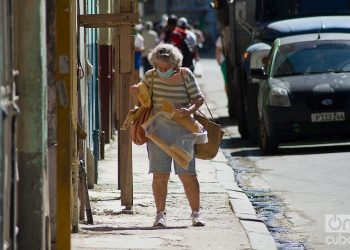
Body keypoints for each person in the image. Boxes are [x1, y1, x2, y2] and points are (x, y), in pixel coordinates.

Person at [129, 43, 205, 227]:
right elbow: (145, 103)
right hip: (157, 133)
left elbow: (199, 98)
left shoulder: (186, 74)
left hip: (183, 132)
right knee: (159, 174)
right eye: (159, 67)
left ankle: (196, 214)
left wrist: (189, 109)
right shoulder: (150, 76)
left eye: (167, 68)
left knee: (188, 175)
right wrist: (137, 94)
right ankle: (160, 215)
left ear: (175, 64)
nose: (162, 70)